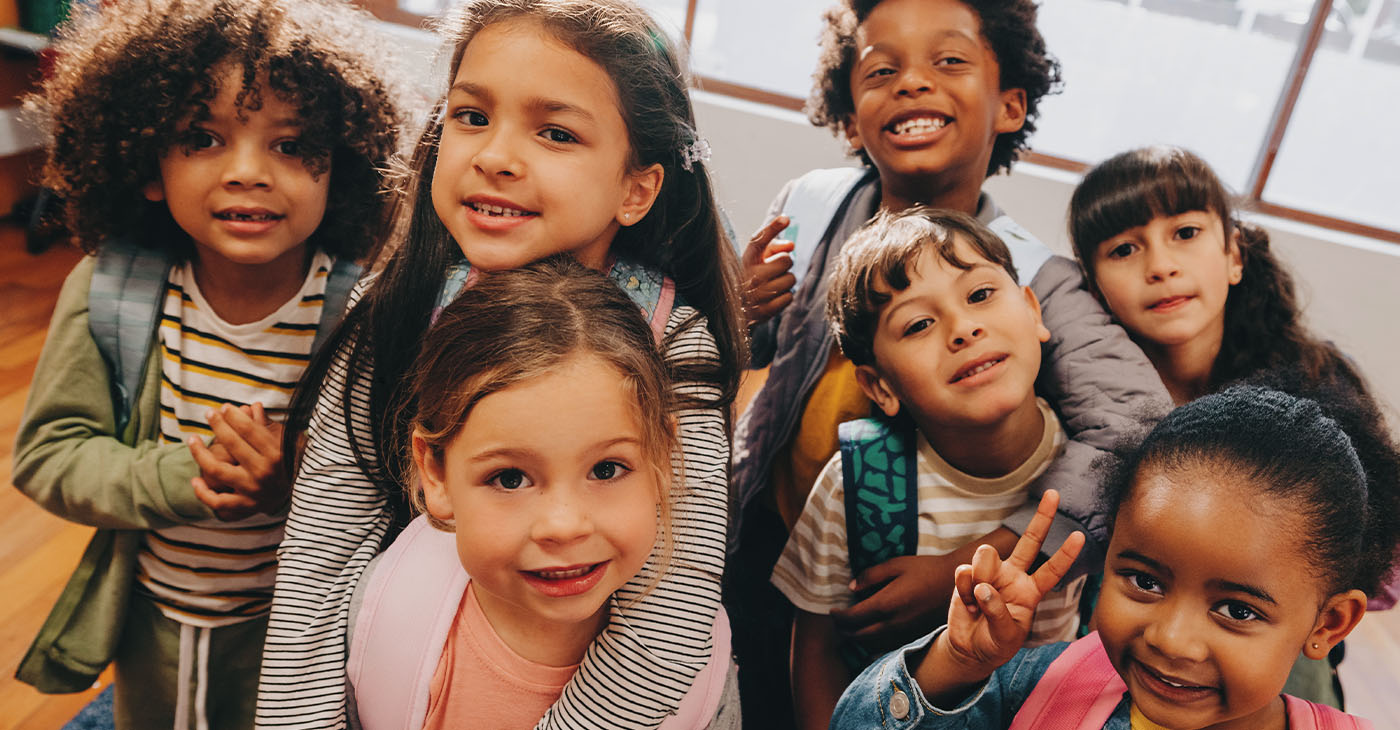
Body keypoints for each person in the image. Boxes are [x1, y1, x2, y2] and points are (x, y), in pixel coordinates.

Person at [260, 1, 746, 728]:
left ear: (636, 188)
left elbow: (669, 608)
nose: (493, 156)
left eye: (555, 131)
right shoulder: (394, 310)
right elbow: (320, 556)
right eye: (471, 116)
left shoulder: (674, 347)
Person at [728, 0, 1168, 722]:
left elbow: (1136, 429)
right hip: (778, 555)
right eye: (881, 69)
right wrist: (739, 311)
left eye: (950, 60)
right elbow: (755, 361)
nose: (913, 83)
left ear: (1009, 104)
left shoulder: (1033, 275)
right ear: (849, 109)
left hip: (951, 595)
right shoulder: (808, 205)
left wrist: (986, 558)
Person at [10, 1, 401, 727]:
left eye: (291, 145)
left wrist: (297, 482)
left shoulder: (359, 315)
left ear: (337, 169)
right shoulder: (110, 292)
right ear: (148, 166)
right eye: (202, 137)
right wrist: (185, 476)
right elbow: (49, 457)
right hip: (152, 620)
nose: (248, 172)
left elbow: (396, 487)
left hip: (295, 636)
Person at [832, 383, 1400, 729]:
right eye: (1146, 582)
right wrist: (956, 663)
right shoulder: (1040, 682)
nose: (1171, 640)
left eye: (1237, 610)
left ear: (1329, 622)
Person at [345, 258, 738, 729]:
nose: (563, 524)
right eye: (510, 479)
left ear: (663, 459)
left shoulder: (702, 669)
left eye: (607, 469)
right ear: (436, 472)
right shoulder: (382, 611)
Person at [1068, 145, 1397, 703]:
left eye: (1186, 233)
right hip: (1133, 646)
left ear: (1234, 255)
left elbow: (1374, 564)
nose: (1161, 265)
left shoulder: (1316, 386)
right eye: (1125, 248)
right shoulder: (1084, 398)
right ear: (1096, 289)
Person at [770, 208, 1089, 729]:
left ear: (1033, 312)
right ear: (880, 387)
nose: (963, 328)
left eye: (980, 294)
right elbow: (817, 652)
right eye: (919, 324)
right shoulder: (856, 483)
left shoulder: (1090, 464)